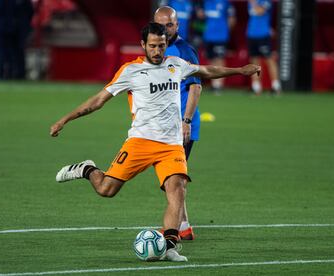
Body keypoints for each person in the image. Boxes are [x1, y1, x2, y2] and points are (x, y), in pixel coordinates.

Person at [50, 22, 260, 262]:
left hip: (171, 145)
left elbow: (206, 71)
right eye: (153, 46)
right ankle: (86, 169)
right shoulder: (130, 71)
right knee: (106, 189)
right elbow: (97, 101)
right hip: (140, 142)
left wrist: (240, 70)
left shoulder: (176, 65)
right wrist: (66, 119)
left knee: (177, 189)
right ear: (143, 45)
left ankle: (170, 245)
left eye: (161, 46)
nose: (158, 51)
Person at [154, 6, 201, 241]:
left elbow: (196, 86)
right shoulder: (155, 47)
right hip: (162, 124)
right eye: (160, 25)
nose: (164, 29)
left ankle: (176, 228)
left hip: (181, 124)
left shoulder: (184, 50)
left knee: (173, 179)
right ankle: (183, 226)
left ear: (177, 25)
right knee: (174, 178)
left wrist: (187, 120)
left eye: (169, 25)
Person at [247, 0, 281, 95]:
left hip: (263, 34)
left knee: (269, 59)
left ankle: (276, 86)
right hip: (251, 34)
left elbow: (259, 11)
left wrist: (252, 2)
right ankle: (256, 87)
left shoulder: (266, 1)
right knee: (254, 61)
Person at [201, 0, 236, 92]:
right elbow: (202, 16)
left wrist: (225, 30)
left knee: (219, 59)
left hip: (220, 36)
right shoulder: (206, 2)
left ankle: (219, 85)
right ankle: (214, 84)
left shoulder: (226, 3)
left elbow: (232, 19)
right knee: (211, 59)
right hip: (208, 36)